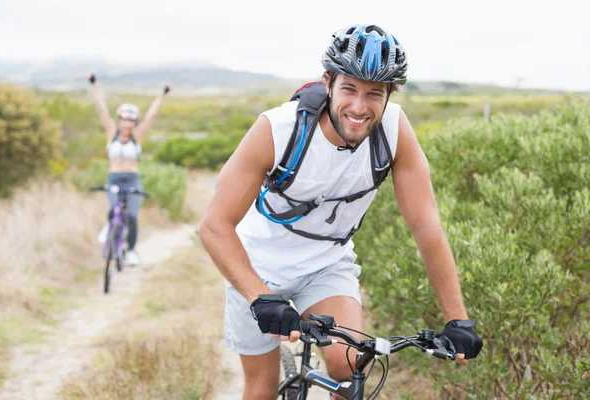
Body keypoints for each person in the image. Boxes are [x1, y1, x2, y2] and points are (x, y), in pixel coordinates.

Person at [199, 24, 482, 399]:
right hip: (257, 265)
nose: (359, 107)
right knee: (261, 388)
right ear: (328, 82)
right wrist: (259, 296)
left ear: (389, 95)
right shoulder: (278, 130)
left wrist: (457, 319)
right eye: (349, 89)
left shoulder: (394, 132)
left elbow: (426, 226)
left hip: (325, 265)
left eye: (374, 94)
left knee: (352, 370)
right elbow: (214, 226)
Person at [88, 73, 170, 266]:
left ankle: (131, 250)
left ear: (134, 122)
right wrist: (94, 84)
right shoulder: (111, 132)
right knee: (112, 210)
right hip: (114, 178)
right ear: (120, 120)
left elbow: (151, 115)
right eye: (124, 119)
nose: (127, 124)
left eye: (131, 121)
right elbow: (101, 108)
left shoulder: (138, 136)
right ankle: (110, 229)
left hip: (132, 179)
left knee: (132, 216)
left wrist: (162, 94)